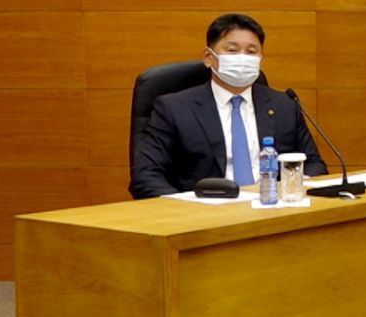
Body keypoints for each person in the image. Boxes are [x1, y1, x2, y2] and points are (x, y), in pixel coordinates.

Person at [130, 13, 328, 199]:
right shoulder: (174, 108)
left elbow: (314, 165)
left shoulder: (285, 105)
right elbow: (145, 175)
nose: (242, 57)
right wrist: (187, 211)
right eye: (232, 50)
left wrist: (290, 192)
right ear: (208, 58)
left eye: (251, 52)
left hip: (272, 208)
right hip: (206, 213)